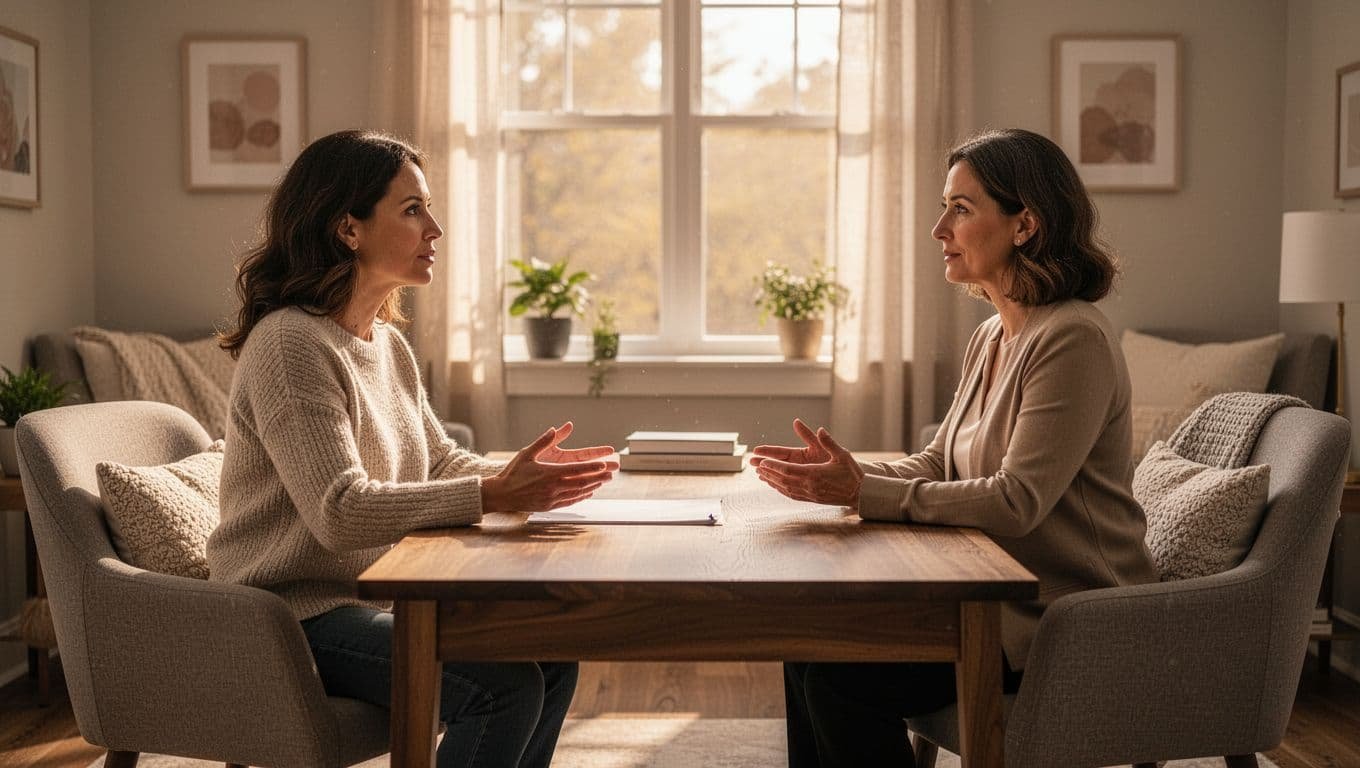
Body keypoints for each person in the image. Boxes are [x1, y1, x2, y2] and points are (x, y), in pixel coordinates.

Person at [208, 129, 619, 768]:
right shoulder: (289, 346)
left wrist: (521, 475)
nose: (435, 227)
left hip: (367, 598)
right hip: (291, 616)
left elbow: (441, 460)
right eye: (412, 209)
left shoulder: (387, 345)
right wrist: (494, 493)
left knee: (550, 651)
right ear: (349, 229)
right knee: (501, 688)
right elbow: (338, 510)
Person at [751, 128, 1159, 768]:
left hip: (1059, 618)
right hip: (989, 598)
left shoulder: (1072, 338)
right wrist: (845, 473)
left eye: (961, 209)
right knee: (809, 643)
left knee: (843, 681)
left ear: (1025, 225)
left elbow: (1017, 502)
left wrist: (863, 493)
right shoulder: (994, 334)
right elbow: (942, 462)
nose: (940, 228)